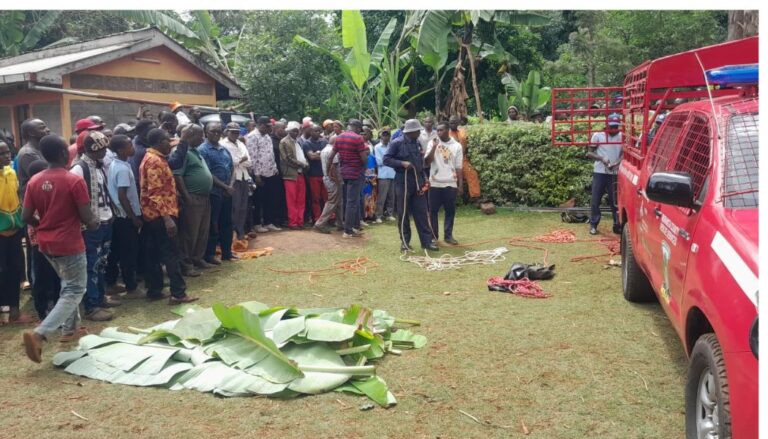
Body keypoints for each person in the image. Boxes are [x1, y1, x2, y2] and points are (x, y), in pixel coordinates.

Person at [21, 134, 99, 362]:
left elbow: (26, 216)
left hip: (46, 243)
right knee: (75, 289)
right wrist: (94, 223)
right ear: (65, 153)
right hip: (69, 242)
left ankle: (70, 330)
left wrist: (44, 225)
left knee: (68, 285)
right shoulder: (73, 180)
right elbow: (87, 217)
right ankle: (40, 334)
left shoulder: (35, 180)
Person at [139, 128, 197, 303]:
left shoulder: (155, 158)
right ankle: (178, 293)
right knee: (171, 254)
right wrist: (167, 218)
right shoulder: (154, 161)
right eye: (166, 141)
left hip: (154, 214)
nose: (169, 144)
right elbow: (155, 192)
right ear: (158, 142)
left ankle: (155, 290)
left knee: (153, 254)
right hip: (161, 215)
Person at [70, 131, 118, 321]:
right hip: (91, 226)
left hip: (106, 220)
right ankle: (92, 305)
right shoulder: (79, 169)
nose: (105, 152)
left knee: (102, 261)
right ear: (91, 149)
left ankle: (100, 296)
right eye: (101, 149)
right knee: (92, 264)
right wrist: (87, 221)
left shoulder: (99, 166)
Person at [384, 119, 437, 252]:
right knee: (403, 213)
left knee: (421, 213)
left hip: (417, 181)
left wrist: (424, 178)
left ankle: (426, 242)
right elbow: (386, 159)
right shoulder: (397, 143)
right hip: (403, 182)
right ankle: (405, 243)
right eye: (417, 130)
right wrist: (401, 163)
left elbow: (420, 163)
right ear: (411, 131)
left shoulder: (417, 142)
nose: (420, 132)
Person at [105, 135, 144, 299]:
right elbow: (122, 195)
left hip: (120, 216)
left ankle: (112, 283)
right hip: (125, 217)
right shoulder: (121, 168)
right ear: (120, 150)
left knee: (118, 251)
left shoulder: (118, 164)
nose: (132, 146)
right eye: (129, 145)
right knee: (129, 252)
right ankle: (131, 287)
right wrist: (133, 216)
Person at [0, 141, 33, 324]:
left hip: (14, 230)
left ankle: (14, 309)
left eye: (7, 152)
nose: (7, 156)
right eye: (2, 153)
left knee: (14, 270)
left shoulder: (11, 173)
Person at [173, 124, 213, 271]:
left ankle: (197, 258)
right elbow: (177, 175)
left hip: (204, 197)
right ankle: (186, 263)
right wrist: (186, 196)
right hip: (192, 198)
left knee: (202, 231)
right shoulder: (182, 153)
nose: (202, 138)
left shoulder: (196, 151)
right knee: (190, 233)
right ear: (190, 135)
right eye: (200, 135)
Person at [25, 160, 60, 320]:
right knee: (42, 275)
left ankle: (55, 305)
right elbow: (27, 216)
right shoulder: (32, 190)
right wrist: (43, 225)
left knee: (54, 274)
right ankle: (42, 308)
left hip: (50, 238)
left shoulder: (47, 188)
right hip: (39, 240)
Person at [199, 122, 236, 263]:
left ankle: (227, 253)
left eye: (218, 131)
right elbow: (207, 173)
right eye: (212, 131)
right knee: (213, 224)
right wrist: (225, 187)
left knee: (227, 223)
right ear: (206, 132)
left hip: (227, 192)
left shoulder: (224, 149)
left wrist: (230, 186)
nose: (216, 134)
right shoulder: (203, 150)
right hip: (214, 192)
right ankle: (210, 254)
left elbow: (231, 168)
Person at [326, 119, 368, 238]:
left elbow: (331, 156)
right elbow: (364, 159)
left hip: (344, 173)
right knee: (352, 202)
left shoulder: (339, 137)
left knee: (348, 201)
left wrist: (328, 170)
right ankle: (348, 230)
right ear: (358, 128)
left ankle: (352, 227)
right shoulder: (358, 138)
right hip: (355, 173)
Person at [425, 123, 463, 245]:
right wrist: (434, 147)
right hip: (435, 183)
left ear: (447, 131)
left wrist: (460, 185)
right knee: (433, 211)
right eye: (437, 130)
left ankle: (448, 236)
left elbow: (459, 167)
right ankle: (433, 237)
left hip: (450, 183)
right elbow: (427, 161)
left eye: (441, 130)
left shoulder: (457, 146)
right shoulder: (432, 143)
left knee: (450, 211)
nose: (438, 132)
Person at [586, 113, 622, 235]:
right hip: (600, 172)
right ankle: (594, 224)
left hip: (614, 172)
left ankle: (617, 224)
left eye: (616, 127)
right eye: (611, 127)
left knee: (615, 200)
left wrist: (617, 163)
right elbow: (589, 153)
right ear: (606, 125)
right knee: (596, 199)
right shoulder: (598, 135)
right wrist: (601, 158)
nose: (613, 129)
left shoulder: (622, 136)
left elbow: (624, 153)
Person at [246, 116, 282, 233]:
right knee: (258, 200)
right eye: (267, 126)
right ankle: (257, 223)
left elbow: (270, 154)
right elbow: (253, 157)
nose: (269, 129)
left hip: (271, 172)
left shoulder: (267, 136)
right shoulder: (252, 137)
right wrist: (256, 175)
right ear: (260, 125)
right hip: (259, 174)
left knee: (270, 199)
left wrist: (275, 168)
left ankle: (268, 222)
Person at [220, 122, 252, 241]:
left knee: (243, 206)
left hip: (244, 176)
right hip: (232, 179)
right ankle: (232, 233)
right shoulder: (223, 144)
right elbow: (229, 162)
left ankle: (240, 231)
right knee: (234, 206)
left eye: (237, 132)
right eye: (232, 131)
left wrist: (239, 160)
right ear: (227, 131)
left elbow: (249, 161)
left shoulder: (240, 143)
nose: (235, 134)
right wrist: (241, 160)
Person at [279, 121, 309, 229]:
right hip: (290, 175)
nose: (296, 133)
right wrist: (302, 164)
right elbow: (287, 159)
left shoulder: (298, 142)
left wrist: (306, 164)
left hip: (300, 173)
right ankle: (293, 222)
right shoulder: (284, 142)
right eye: (293, 131)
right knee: (292, 200)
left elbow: (302, 156)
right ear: (289, 131)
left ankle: (300, 221)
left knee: (301, 199)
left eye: (297, 131)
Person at [313, 139, 343, 234]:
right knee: (332, 201)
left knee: (338, 202)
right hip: (333, 179)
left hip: (327, 178)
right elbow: (333, 167)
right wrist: (338, 181)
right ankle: (320, 223)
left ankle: (340, 224)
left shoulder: (324, 150)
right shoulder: (331, 151)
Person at [448, 115, 481, 201]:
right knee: (451, 178)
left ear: (458, 123)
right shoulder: (446, 133)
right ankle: (453, 200)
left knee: (472, 174)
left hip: (463, 159)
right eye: (451, 123)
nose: (452, 124)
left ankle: (475, 197)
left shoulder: (463, 131)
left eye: (454, 122)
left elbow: (468, 143)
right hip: (450, 161)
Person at [16, 119, 50, 199]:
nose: (48, 130)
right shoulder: (28, 153)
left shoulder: (40, 149)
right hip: (34, 200)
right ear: (31, 133)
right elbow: (43, 178)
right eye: (42, 128)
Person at [302, 124, 328, 222]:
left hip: (324, 173)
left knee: (326, 197)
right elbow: (311, 157)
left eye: (318, 131)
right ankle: (317, 217)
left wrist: (317, 154)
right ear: (310, 132)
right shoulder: (307, 143)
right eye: (315, 131)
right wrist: (321, 155)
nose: (317, 133)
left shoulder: (324, 142)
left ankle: (329, 217)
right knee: (315, 198)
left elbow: (328, 156)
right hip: (313, 174)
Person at [374, 127, 396, 223]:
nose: (386, 137)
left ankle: (389, 214)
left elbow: (394, 159)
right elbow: (379, 161)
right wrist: (390, 160)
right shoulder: (377, 147)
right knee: (382, 196)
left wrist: (389, 160)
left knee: (391, 196)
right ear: (381, 136)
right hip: (383, 174)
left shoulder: (392, 146)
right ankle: (378, 215)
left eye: (388, 135)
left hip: (392, 173)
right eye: (384, 135)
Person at [270, 121, 289, 227]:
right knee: (275, 196)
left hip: (284, 172)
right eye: (283, 128)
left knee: (282, 196)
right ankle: (275, 219)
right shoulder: (272, 141)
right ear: (277, 129)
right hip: (275, 172)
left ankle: (282, 218)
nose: (285, 130)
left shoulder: (284, 140)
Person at [129, 119, 157, 184]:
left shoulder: (135, 140)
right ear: (144, 134)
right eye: (153, 131)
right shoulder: (143, 152)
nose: (156, 132)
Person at [361, 127, 377, 222]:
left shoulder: (371, 155)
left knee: (371, 196)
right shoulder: (360, 156)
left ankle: (370, 214)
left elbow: (374, 166)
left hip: (372, 177)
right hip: (363, 177)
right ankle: (364, 215)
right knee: (364, 196)